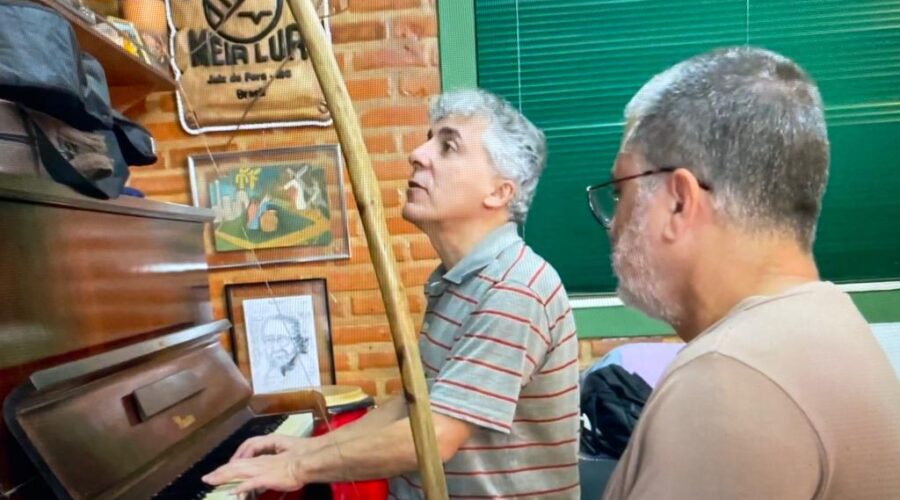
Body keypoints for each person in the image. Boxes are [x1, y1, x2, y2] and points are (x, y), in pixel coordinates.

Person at [203, 89, 581, 498]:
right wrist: (310, 447)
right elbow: (415, 405)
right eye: (429, 139)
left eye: (448, 145)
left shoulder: (513, 287)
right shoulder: (461, 280)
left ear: (499, 192)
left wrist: (297, 466)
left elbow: (435, 435)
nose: (418, 153)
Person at [588, 47, 900, 499]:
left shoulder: (729, 380)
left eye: (622, 193)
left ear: (679, 201)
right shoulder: (828, 323)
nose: (615, 223)